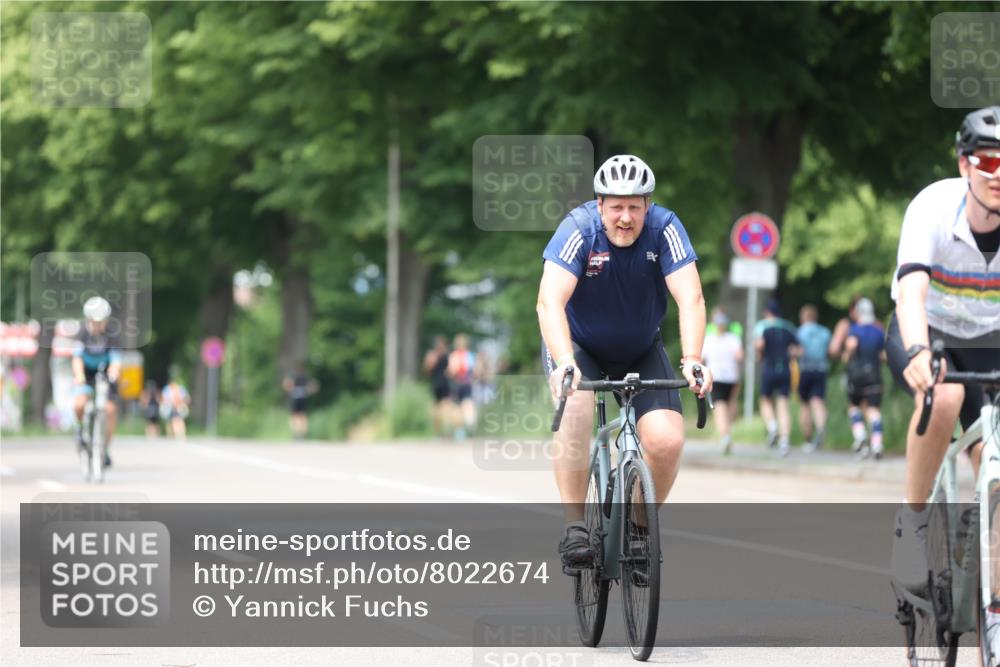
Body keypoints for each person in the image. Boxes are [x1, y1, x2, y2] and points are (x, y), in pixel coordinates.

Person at [536, 154, 712, 572]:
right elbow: (549, 302)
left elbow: (691, 298)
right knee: (576, 405)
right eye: (616, 206)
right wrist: (564, 362)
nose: (626, 217)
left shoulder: (665, 228)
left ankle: (637, 530)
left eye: (635, 206)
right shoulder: (578, 230)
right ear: (600, 205)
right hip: (580, 348)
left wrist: (692, 360)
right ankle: (576, 527)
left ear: (647, 206)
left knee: (667, 441)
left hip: (639, 346)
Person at [888, 106, 1000, 593]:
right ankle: (912, 523)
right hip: (928, 329)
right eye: (988, 162)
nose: (998, 175)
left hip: (989, 340)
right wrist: (916, 350)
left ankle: (990, 609)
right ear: (964, 165)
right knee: (944, 396)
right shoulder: (933, 207)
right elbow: (911, 293)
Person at [72, 296, 121, 467]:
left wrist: (113, 373)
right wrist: (79, 376)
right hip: (86, 371)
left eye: (102, 322)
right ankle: (79, 428)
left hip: (104, 371)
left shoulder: (112, 333)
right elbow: (77, 358)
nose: (99, 325)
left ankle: (105, 448)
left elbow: (115, 358)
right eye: (95, 322)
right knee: (79, 404)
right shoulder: (81, 332)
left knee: (110, 410)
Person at [841, 298, 886, 459]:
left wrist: (846, 356)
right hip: (874, 374)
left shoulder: (855, 329)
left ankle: (860, 436)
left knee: (854, 406)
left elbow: (851, 346)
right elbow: (883, 355)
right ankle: (877, 443)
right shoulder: (879, 330)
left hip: (857, 375)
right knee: (873, 410)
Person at [753, 299, 798, 457]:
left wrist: (759, 355)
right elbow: (796, 350)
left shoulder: (762, 326)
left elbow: (759, 345)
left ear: (766, 312)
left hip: (769, 368)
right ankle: (784, 441)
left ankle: (772, 426)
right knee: (783, 403)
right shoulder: (788, 327)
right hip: (785, 369)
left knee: (765, 400)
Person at [702, 308, 743, 455]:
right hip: (731, 377)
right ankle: (726, 433)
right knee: (729, 406)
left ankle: (725, 436)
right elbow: (739, 357)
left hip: (715, 377)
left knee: (719, 408)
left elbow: (702, 359)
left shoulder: (708, 339)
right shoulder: (733, 338)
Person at [796, 304, 832, 452]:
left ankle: (808, 439)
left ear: (803, 317)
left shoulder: (799, 332)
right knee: (818, 401)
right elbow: (830, 350)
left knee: (805, 405)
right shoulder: (824, 332)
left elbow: (797, 351)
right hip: (821, 369)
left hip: (804, 370)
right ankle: (821, 428)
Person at [447, 333, 477, 440]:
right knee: (468, 405)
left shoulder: (454, 355)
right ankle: (470, 424)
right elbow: (474, 371)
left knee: (457, 408)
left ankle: (459, 431)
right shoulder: (470, 355)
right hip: (467, 384)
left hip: (457, 383)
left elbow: (451, 371)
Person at [422, 335, 452, 437]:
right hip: (440, 382)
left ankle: (441, 430)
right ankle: (439, 430)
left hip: (439, 382)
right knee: (439, 407)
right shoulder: (444, 355)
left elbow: (427, 371)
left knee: (441, 407)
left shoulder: (436, 355)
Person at [283, 361, 318, 439]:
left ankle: (298, 434)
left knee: (297, 416)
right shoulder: (305, 377)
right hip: (301, 398)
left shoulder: (294, 376)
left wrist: (290, 389)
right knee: (301, 416)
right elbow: (314, 387)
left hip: (296, 399)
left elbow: (285, 384)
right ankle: (300, 434)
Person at [160, 375, 191, 440]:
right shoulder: (175, 388)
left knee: (177, 420)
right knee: (173, 421)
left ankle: (178, 434)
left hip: (177, 407)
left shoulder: (173, 389)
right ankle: (174, 434)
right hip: (172, 407)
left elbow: (186, 398)